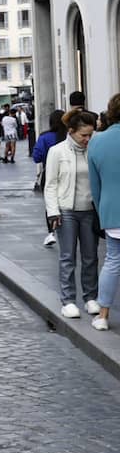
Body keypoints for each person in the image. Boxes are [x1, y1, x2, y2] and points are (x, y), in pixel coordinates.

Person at [44, 108, 100, 321]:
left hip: (89, 210)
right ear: (71, 131)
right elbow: (50, 185)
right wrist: (53, 212)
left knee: (91, 257)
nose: (87, 139)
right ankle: (68, 300)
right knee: (67, 257)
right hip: (65, 211)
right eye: (83, 135)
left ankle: (90, 297)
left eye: (90, 134)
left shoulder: (93, 149)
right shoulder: (57, 151)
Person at [89, 95, 120, 331]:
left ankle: (103, 315)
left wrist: (102, 211)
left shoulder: (97, 142)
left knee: (112, 262)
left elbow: (95, 185)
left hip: (111, 209)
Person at [33, 110, 68, 246]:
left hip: (49, 173)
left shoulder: (45, 137)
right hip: (68, 171)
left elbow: (36, 157)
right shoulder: (69, 135)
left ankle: (51, 233)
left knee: (51, 202)